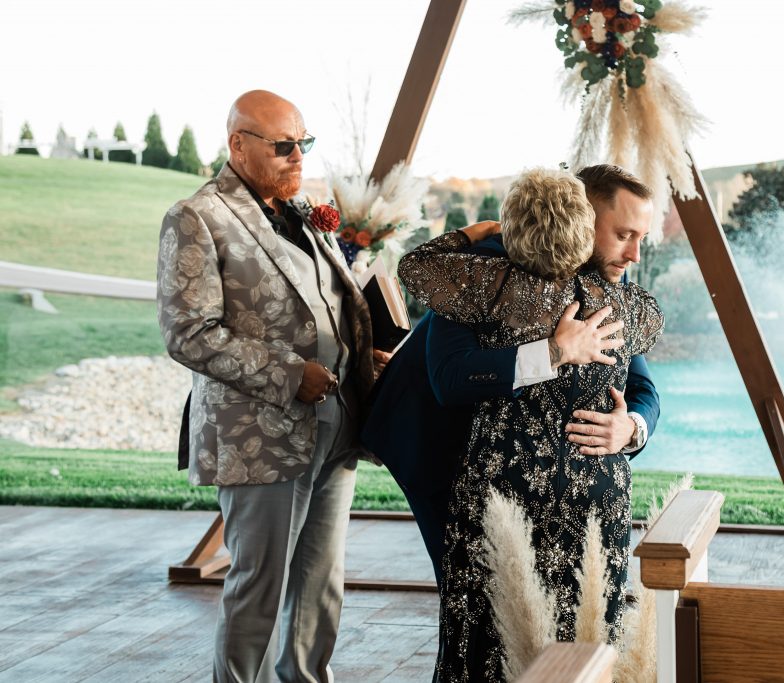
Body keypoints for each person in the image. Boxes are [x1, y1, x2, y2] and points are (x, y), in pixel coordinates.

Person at [398, 167, 665, 681]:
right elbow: (450, 378)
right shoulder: (482, 275)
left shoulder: (616, 287)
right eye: (623, 234)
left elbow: (644, 389)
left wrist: (631, 428)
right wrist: (553, 352)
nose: (634, 254)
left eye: (641, 238)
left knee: (589, 652)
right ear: (585, 218)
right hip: (495, 503)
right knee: (487, 651)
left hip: (594, 519)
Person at [157, 90, 381, 683]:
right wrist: (288, 374)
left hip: (335, 426)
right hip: (260, 437)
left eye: (303, 143)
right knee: (258, 587)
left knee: (320, 584)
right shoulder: (196, 216)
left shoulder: (300, 212)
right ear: (238, 145)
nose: (297, 156)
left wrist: (362, 354)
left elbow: (326, 303)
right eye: (283, 146)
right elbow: (188, 333)